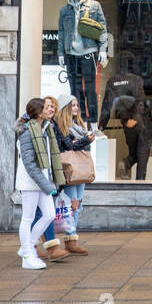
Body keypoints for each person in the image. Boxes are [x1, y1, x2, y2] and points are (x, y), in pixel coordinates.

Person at [14, 96, 66, 270]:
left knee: (50, 214)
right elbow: (29, 164)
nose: (49, 109)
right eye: (45, 107)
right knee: (27, 218)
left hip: (43, 180)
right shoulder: (28, 131)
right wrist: (47, 185)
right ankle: (28, 255)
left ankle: (25, 247)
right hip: (30, 182)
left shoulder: (44, 128)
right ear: (38, 112)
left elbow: (49, 158)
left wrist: (49, 181)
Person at [54, 93, 95, 256]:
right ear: (65, 108)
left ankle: (72, 240)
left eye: (77, 105)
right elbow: (69, 146)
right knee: (71, 204)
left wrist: (85, 141)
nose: (76, 108)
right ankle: (70, 238)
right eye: (73, 105)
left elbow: (81, 147)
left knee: (77, 204)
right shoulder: (61, 126)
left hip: (80, 170)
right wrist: (86, 141)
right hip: (70, 170)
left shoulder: (78, 125)